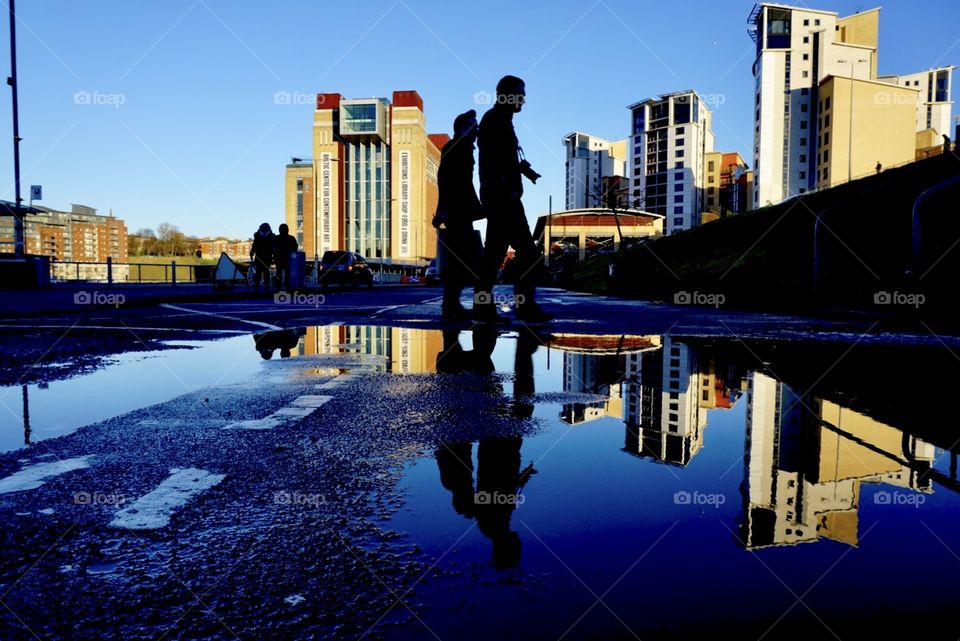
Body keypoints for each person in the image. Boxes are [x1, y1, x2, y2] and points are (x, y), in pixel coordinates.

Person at [473, 75, 552, 324]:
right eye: (520, 94)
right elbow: (493, 162)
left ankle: (485, 307)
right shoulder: (495, 120)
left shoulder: (501, 120)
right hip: (503, 198)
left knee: (494, 253)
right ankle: (524, 306)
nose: (524, 100)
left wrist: (522, 170)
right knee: (528, 253)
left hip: (501, 196)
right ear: (506, 94)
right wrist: (507, 186)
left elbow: (502, 159)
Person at [434, 109, 484, 321]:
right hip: (458, 212)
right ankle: (451, 306)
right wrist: (444, 209)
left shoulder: (460, 147)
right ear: (463, 128)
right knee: (459, 260)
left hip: (458, 210)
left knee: (460, 259)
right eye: (473, 126)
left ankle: (451, 305)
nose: (477, 129)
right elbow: (447, 180)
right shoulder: (458, 147)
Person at [250, 222, 274, 290]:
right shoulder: (271, 236)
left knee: (259, 271)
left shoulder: (257, 236)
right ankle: (266, 285)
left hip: (260, 257)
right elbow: (273, 247)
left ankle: (258, 285)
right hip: (267, 257)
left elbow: (254, 245)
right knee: (265, 271)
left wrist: (252, 252)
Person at [274, 223, 298, 290]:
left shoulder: (277, 238)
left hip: (283, 259)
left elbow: (295, 248)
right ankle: (285, 285)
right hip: (286, 259)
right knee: (284, 273)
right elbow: (295, 248)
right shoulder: (291, 238)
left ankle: (279, 285)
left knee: (280, 272)